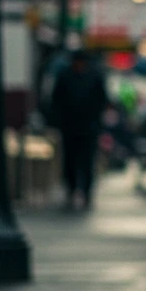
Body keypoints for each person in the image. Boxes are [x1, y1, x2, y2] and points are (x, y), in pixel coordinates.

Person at [50, 51, 108, 210]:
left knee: (87, 161)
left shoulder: (94, 76)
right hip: (70, 127)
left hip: (88, 127)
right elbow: (56, 100)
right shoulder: (65, 76)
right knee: (70, 160)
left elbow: (102, 100)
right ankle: (71, 189)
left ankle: (86, 192)